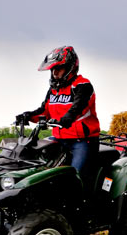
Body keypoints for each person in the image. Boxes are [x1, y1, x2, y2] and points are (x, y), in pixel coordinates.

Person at [18, 46, 100, 177]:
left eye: (58, 68)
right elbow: (44, 112)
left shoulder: (82, 85)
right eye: (52, 69)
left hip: (82, 141)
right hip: (59, 138)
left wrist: (66, 119)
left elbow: (77, 108)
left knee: (74, 175)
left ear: (70, 68)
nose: (55, 72)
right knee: (35, 161)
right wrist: (27, 116)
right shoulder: (53, 90)